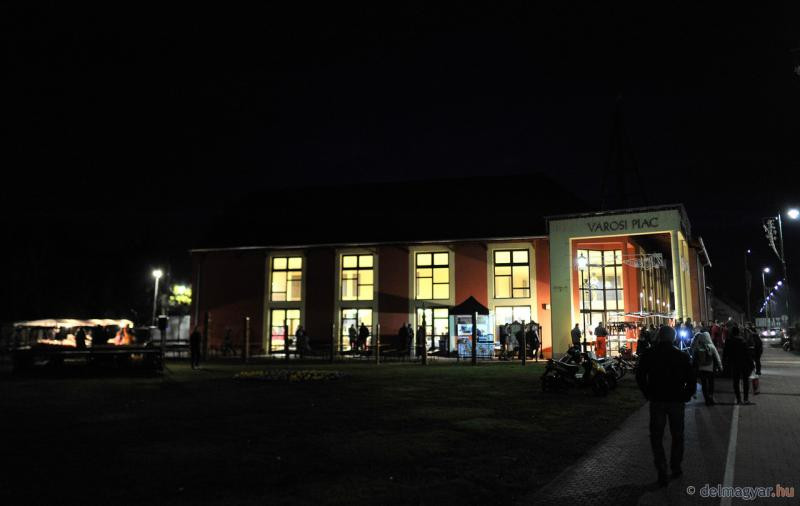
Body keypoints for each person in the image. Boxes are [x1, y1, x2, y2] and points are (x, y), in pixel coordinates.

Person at [636, 326, 696, 486]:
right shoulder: (681, 356)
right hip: (676, 400)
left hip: (657, 400)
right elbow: (691, 379)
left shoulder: (650, 354)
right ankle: (676, 466)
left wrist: (647, 392)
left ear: (659, 336)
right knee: (678, 435)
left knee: (656, 436)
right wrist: (686, 395)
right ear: (673, 337)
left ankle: (661, 469)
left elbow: (640, 375)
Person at [724, 326, 754, 404]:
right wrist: (752, 364)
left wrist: (725, 364)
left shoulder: (728, 341)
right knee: (745, 381)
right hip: (744, 364)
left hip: (734, 364)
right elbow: (747, 354)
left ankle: (738, 399)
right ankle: (746, 399)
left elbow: (725, 354)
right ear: (738, 332)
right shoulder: (742, 341)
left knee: (736, 382)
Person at [691, 331, 722, 405]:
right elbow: (717, 358)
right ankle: (711, 397)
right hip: (710, 369)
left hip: (701, 369)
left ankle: (706, 399)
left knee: (704, 384)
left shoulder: (698, 347)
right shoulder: (712, 347)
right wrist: (720, 367)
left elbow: (694, 358)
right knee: (711, 383)